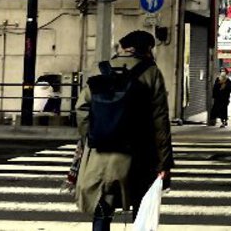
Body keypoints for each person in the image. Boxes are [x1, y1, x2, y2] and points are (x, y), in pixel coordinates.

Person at [75, 30, 174, 231]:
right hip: (138, 154)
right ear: (147, 50)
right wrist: (164, 162)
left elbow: (81, 109)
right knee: (141, 207)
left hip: (100, 154)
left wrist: (93, 136)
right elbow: (160, 122)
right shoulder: (151, 72)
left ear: (123, 47)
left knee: (102, 209)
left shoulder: (99, 69)